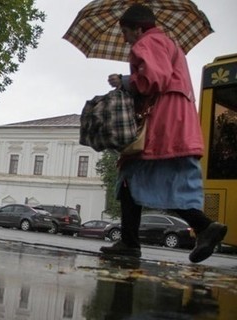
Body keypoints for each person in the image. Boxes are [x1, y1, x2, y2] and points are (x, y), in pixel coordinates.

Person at [99, 4, 227, 263]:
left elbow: (154, 79)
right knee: (162, 180)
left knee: (130, 176)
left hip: (162, 120)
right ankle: (203, 227)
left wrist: (125, 81)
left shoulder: (147, 43)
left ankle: (131, 243)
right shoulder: (168, 43)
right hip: (179, 118)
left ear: (138, 27)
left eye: (125, 31)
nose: (125, 38)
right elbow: (163, 75)